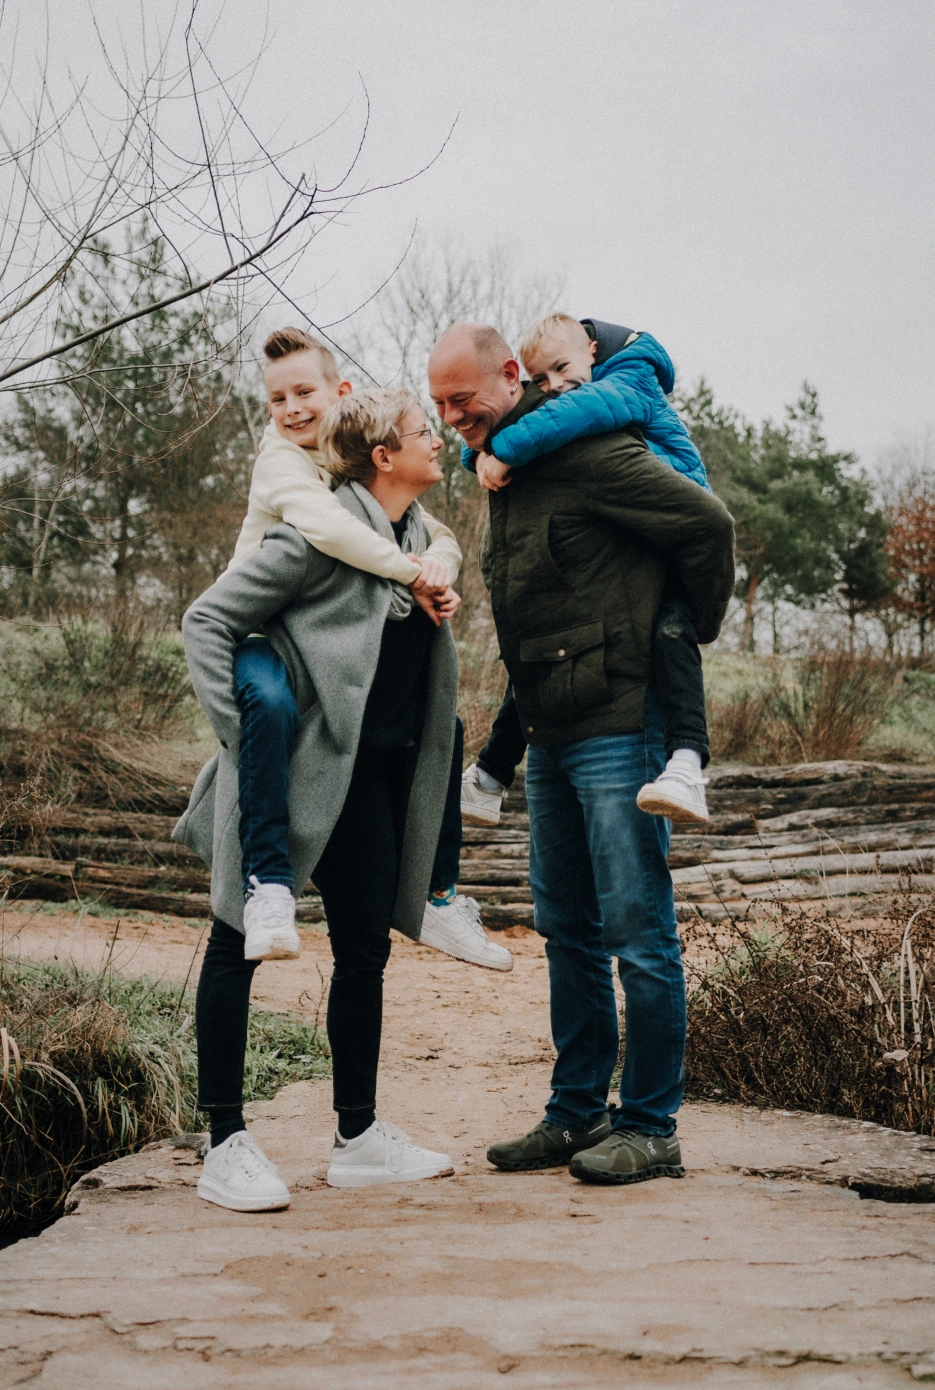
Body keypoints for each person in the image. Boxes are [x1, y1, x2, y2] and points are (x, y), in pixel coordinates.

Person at [175, 387, 496, 1211]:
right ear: (383, 458)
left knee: (364, 956)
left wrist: (444, 568)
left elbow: (442, 559)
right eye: (423, 432)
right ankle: (225, 1145)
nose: (437, 441)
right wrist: (247, 741)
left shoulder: (419, 538)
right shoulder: (313, 538)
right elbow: (207, 621)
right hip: (283, 785)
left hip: (371, 786)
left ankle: (358, 1139)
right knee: (235, 947)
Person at [429, 323, 735, 1186]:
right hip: (553, 739)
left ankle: (652, 1127)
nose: (455, 416)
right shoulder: (507, 473)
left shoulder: (597, 447)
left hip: (622, 724)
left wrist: (682, 629)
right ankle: (575, 1115)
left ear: (512, 376)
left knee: (639, 935)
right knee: (567, 931)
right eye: (441, 404)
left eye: (466, 398)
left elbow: (706, 526)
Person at [227, 325, 511, 973]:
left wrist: (434, 563)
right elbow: (331, 531)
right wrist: (414, 573)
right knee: (269, 709)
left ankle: (438, 893)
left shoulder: (340, 463)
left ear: (339, 392)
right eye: (278, 399)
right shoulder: (282, 462)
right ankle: (268, 881)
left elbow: (434, 531)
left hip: (315, 649)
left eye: (306, 392)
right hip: (259, 640)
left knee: (447, 722)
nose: (293, 408)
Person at [459, 314, 712, 832]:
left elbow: (576, 412)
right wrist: (477, 447)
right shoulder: (583, 391)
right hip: (630, 541)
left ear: (593, 351)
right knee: (538, 656)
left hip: (667, 535)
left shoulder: (630, 378)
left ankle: (688, 763)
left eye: (562, 368)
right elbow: (515, 430)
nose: (554, 387)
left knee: (670, 634)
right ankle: (490, 771)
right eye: (540, 379)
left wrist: (500, 449)